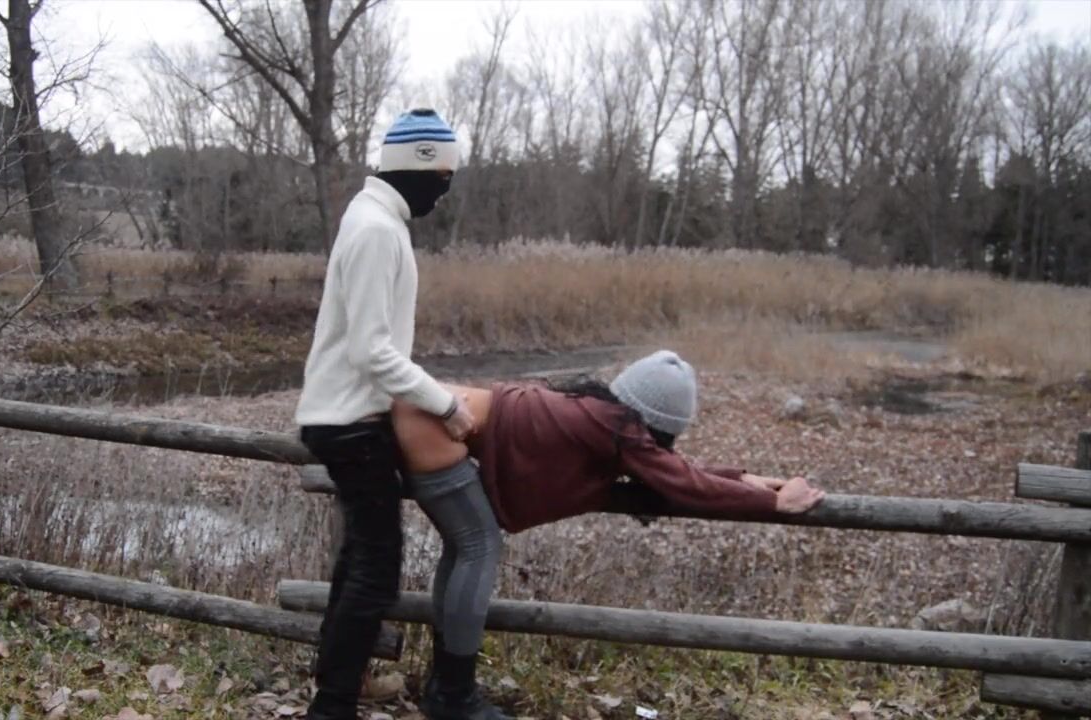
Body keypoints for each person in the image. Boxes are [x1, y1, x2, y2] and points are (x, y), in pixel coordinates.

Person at [389, 351, 825, 710]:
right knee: (477, 546)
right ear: (663, 422)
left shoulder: (600, 416)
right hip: (432, 423)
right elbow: (683, 482)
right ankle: (453, 694)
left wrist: (742, 479)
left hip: (423, 414)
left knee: (466, 547)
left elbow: (674, 470)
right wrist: (772, 502)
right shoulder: (616, 429)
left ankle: (447, 688)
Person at [294, 108, 479, 720]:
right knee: (375, 571)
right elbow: (372, 350)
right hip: (351, 422)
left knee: (358, 562)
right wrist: (445, 403)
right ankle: (332, 706)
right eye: (443, 178)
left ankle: (334, 687)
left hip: (342, 415)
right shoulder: (377, 229)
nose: (445, 192)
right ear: (417, 167)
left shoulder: (372, 217)